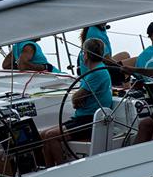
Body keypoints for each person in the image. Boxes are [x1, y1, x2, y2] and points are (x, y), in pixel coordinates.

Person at [41, 38, 112, 167]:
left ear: (86, 54)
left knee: (51, 136)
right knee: (43, 135)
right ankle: (48, 170)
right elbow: (79, 99)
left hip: (91, 121)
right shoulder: (94, 72)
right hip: (82, 117)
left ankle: (61, 171)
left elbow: (76, 99)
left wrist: (78, 100)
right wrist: (78, 100)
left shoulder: (97, 73)